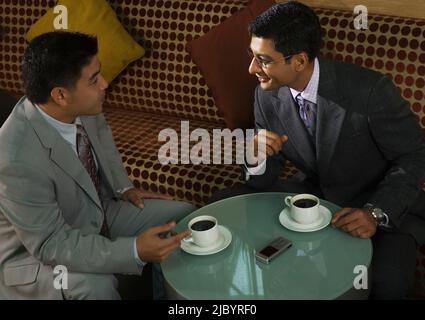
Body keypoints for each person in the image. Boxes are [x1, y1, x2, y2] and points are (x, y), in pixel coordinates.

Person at [209, 1, 425, 299]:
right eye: (252, 56)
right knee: (222, 205)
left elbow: (414, 155)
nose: (251, 69)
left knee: (387, 284)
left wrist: (375, 214)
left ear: (298, 60)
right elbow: (261, 180)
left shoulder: (370, 91)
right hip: (311, 199)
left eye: (263, 60)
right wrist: (255, 155)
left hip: (377, 203)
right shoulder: (266, 95)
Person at [0, 31, 195, 300]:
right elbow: (50, 244)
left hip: (94, 212)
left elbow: (102, 138)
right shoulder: (14, 157)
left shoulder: (82, 106)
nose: (104, 84)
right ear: (60, 95)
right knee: (95, 288)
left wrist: (124, 187)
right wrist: (135, 251)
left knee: (184, 217)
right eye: (94, 80)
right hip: (37, 258)